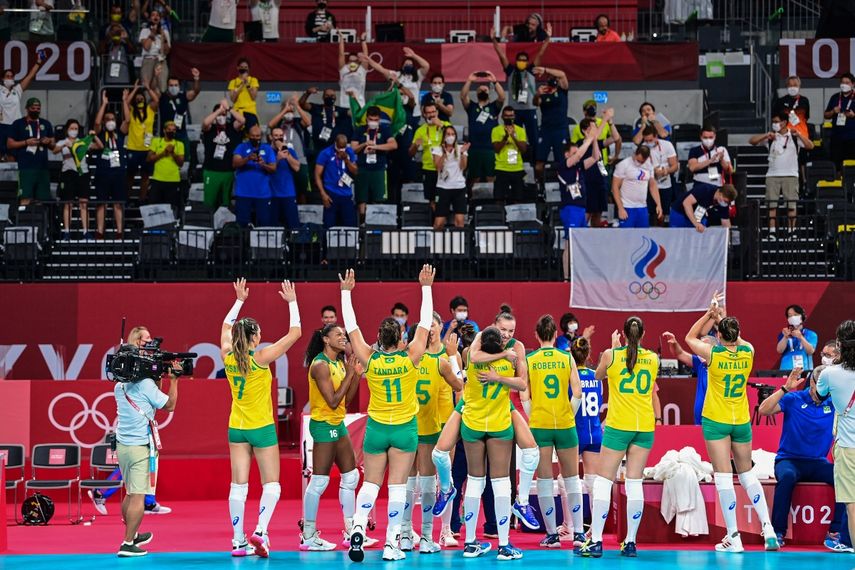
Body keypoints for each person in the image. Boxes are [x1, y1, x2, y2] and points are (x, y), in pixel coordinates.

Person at [341, 265, 435, 563]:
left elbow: (352, 328)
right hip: (405, 429)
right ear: (400, 337)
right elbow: (425, 325)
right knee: (397, 487)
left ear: (379, 339)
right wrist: (426, 287)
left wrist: (346, 294)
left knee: (370, 483)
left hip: (377, 429)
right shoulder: (411, 357)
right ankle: (391, 544)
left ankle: (357, 525)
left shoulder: (370, 359)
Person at [683, 297, 779, 552]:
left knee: (724, 477)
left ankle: (734, 537)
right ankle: (768, 528)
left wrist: (709, 314)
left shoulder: (713, 353)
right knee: (747, 474)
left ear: (718, 336)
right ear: (737, 334)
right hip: (741, 421)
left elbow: (690, 337)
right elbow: (737, 336)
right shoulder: (749, 351)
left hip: (716, 421)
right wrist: (722, 319)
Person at [220, 278, 302, 557]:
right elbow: (296, 333)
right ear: (254, 337)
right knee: (272, 485)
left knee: (237, 486)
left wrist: (239, 300)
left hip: (236, 428)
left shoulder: (228, 356)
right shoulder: (262, 357)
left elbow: (225, 327)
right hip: (262, 428)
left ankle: (237, 540)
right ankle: (261, 530)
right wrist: (292, 302)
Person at [577, 317, 659, 558]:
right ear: (643, 334)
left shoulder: (610, 355)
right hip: (643, 426)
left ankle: (597, 540)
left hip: (618, 426)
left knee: (603, 481)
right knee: (634, 482)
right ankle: (631, 542)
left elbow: (598, 376)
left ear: (622, 334)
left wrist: (612, 348)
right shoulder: (653, 359)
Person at [758, 363, 850, 550]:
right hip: (788, 460)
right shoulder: (793, 398)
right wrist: (785, 388)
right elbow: (763, 410)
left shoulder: (834, 402)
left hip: (818, 463)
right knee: (787, 477)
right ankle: (777, 532)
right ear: (813, 383)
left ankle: (835, 531)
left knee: (843, 477)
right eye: (822, 384)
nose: (826, 389)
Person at [456, 326, 528, 561]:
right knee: (501, 484)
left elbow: (475, 353)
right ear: (500, 345)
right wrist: (505, 358)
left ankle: (469, 543)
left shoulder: (471, 360)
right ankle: (505, 545)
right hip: (498, 426)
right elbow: (522, 385)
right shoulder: (508, 363)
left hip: (473, 425)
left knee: (475, 483)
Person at [88, 326, 173, 518]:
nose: (150, 342)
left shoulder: (146, 364)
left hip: (143, 423)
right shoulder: (129, 370)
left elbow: (153, 389)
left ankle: (149, 502)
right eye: (146, 339)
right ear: (136, 341)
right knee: (134, 464)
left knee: (150, 460)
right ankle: (101, 493)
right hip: (134, 429)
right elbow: (164, 401)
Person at [113, 332, 179, 557]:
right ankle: (127, 543)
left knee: (130, 493)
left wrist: (156, 374)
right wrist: (175, 381)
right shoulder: (144, 385)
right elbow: (169, 405)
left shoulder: (119, 387)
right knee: (138, 495)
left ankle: (133, 531)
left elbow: (151, 391)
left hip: (122, 447)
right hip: (140, 447)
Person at [403, 314, 463, 553]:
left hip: (443, 424)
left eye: (433, 325)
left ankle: (443, 529)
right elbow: (460, 385)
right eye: (426, 327)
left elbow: (460, 393)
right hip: (421, 425)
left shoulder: (447, 355)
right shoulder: (420, 356)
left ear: (440, 327)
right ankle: (416, 533)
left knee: (443, 482)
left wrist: (458, 420)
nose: (430, 330)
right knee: (421, 481)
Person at [521, 315, 583, 548]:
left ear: (537, 335)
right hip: (565, 425)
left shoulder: (530, 359)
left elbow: (524, 394)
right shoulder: (566, 357)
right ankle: (578, 534)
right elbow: (577, 392)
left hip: (540, 425)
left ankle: (552, 535)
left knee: (545, 480)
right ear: (556, 335)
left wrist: (532, 416)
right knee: (572, 479)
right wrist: (569, 414)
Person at [301, 325, 362, 551]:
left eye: (344, 335)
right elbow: (333, 401)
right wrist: (349, 373)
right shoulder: (320, 366)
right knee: (319, 481)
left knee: (351, 477)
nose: (343, 337)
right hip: (323, 425)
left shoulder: (338, 363)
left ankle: (350, 532)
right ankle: (308, 535)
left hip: (338, 424)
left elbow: (347, 398)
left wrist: (354, 373)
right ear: (326, 339)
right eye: (338, 335)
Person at [817, 320, 855, 549]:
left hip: (848, 448)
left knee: (852, 506)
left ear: (839, 346)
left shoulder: (829, 373)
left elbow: (819, 396)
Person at [749, 112, 814, 237]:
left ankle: (791, 231)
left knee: (791, 205)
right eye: (773, 122)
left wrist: (799, 135)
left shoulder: (794, 137)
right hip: (772, 175)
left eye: (776, 121)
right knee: (771, 206)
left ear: (784, 122)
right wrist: (765, 135)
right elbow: (752, 141)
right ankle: (772, 232)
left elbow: (810, 146)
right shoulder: (771, 137)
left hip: (791, 175)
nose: (774, 124)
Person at [491, 30, 549, 161]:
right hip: (514, 111)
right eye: (519, 60)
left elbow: (541, 53)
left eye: (524, 60)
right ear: (516, 61)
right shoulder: (511, 71)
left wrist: (548, 38)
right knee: (514, 137)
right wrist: (494, 40)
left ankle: (535, 163)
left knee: (533, 139)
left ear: (527, 62)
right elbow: (501, 56)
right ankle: (517, 161)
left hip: (530, 110)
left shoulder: (532, 70)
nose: (521, 62)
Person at [568, 337, 601, 541]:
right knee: (592, 482)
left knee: (570, 482)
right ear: (588, 355)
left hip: (575, 431)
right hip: (595, 432)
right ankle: (595, 529)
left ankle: (572, 527)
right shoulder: (597, 376)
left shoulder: (569, 377)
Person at [572, 109, 620, 228]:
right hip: (586, 181)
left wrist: (610, 122)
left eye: (595, 127)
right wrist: (604, 118)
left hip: (599, 180)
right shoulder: (579, 144)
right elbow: (594, 135)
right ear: (584, 130)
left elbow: (615, 138)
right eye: (592, 127)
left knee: (597, 215)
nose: (595, 130)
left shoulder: (596, 143)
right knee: (586, 214)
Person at [93, 90, 130, 238]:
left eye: (112, 119)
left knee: (118, 203)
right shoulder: (100, 133)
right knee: (101, 203)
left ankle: (119, 230)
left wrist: (124, 102)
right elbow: (96, 123)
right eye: (107, 119)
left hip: (118, 172)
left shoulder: (120, 133)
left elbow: (127, 121)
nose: (110, 121)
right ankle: (100, 230)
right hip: (103, 172)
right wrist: (104, 104)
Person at [662, 328, 716, 425]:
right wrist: (674, 343)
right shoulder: (700, 363)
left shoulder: (720, 365)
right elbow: (679, 353)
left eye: (703, 347)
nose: (699, 350)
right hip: (699, 420)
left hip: (715, 418)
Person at [7, 97, 54, 206]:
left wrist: (48, 141)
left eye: (38, 108)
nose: (36, 110)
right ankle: (24, 221)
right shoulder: (18, 123)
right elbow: (9, 144)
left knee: (42, 200)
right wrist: (26, 142)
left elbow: (53, 144)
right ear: (27, 109)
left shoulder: (45, 123)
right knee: (25, 198)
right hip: (26, 167)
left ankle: (41, 222)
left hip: (43, 168)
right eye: (33, 108)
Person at [351, 106, 396, 219]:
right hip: (362, 169)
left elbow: (393, 145)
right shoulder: (360, 130)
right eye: (371, 119)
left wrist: (376, 147)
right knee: (362, 201)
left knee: (379, 200)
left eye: (376, 120)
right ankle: (362, 225)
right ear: (367, 119)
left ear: (379, 119)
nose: (373, 122)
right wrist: (364, 144)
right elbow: (352, 149)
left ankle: (377, 226)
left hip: (379, 169)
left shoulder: (385, 130)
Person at [461, 71, 504, 184]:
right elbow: (463, 96)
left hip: (491, 148)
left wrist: (495, 81)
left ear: (489, 92)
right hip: (474, 148)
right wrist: (469, 80)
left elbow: (502, 96)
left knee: (491, 178)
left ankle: (492, 201)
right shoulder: (471, 107)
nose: (483, 91)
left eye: (485, 90)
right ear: (476, 93)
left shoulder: (494, 106)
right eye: (480, 90)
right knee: (475, 179)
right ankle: (473, 201)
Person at [53, 119, 93, 240]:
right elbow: (54, 150)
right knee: (68, 204)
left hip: (82, 174)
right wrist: (65, 145)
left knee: (83, 204)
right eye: (72, 128)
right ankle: (66, 232)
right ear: (67, 130)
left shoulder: (82, 142)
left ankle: (86, 231)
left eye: (76, 129)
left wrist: (93, 136)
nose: (74, 131)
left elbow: (99, 146)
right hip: (68, 174)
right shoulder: (62, 141)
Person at [202, 101, 246, 210]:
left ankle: (224, 225)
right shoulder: (210, 129)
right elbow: (205, 123)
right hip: (211, 171)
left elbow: (242, 120)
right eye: (219, 115)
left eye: (223, 115)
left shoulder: (232, 128)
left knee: (226, 202)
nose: (221, 117)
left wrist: (228, 108)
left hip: (228, 171)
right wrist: (218, 111)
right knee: (209, 202)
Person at [268, 95, 311, 201]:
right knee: (285, 186)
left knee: (302, 190)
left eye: (291, 109)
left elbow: (308, 122)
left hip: (300, 159)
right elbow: (270, 125)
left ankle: (302, 210)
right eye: (287, 108)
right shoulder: (279, 124)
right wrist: (284, 110)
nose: (289, 111)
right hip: (283, 159)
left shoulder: (297, 123)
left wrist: (297, 106)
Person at [232, 125, 276, 226]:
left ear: (261, 136)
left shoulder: (267, 149)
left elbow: (273, 168)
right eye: (253, 136)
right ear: (248, 135)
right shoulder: (241, 147)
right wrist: (247, 158)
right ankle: (243, 242)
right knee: (242, 224)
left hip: (262, 194)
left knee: (264, 224)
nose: (255, 138)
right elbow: (235, 163)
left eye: (257, 136)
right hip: (243, 194)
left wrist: (263, 164)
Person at [687, 126, 732, 222]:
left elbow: (729, 170)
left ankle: (726, 233)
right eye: (705, 137)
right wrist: (710, 160)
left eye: (711, 137)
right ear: (701, 137)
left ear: (715, 136)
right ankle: (698, 228)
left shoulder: (721, 149)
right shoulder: (694, 151)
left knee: (723, 213)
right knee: (699, 215)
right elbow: (692, 167)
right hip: (700, 187)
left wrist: (721, 159)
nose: (708, 140)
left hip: (717, 187)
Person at [123, 81, 159, 203]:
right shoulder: (132, 109)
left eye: (141, 97)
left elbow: (156, 101)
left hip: (147, 149)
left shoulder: (150, 109)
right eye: (137, 97)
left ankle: (142, 199)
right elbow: (126, 102)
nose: (139, 98)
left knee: (145, 176)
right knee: (130, 176)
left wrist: (148, 88)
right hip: (133, 147)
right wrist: (135, 89)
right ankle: (127, 198)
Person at [0, 57, 42, 160]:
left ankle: (15, 176)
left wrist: (38, 63)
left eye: (11, 76)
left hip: (15, 125)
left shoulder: (17, 90)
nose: (9, 78)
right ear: (2, 78)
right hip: (2, 126)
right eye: (7, 76)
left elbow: (30, 76)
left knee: (13, 155)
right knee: (1, 153)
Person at [533, 65, 569, 184]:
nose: (554, 80)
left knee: (563, 162)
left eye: (555, 79)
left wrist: (545, 70)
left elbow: (562, 74)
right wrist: (537, 94)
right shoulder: (543, 93)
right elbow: (535, 103)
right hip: (546, 131)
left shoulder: (563, 90)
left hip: (560, 130)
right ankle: (540, 187)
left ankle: (564, 184)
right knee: (539, 164)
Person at [611, 145, 661, 228]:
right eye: (638, 160)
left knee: (643, 237)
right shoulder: (624, 164)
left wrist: (658, 204)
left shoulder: (649, 165)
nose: (639, 163)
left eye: (642, 162)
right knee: (626, 237)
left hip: (642, 207)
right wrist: (620, 208)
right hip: (627, 207)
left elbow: (652, 186)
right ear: (635, 154)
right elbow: (614, 187)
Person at [315, 133, 358, 228]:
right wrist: (323, 194)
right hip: (331, 193)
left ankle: (350, 243)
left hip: (346, 193)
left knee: (350, 225)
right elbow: (317, 175)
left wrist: (346, 160)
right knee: (329, 225)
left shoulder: (349, 152)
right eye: (340, 147)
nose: (342, 149)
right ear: (335, 143)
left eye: (344, 147)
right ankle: (328, 242)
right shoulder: (325, 153)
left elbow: (355, 171)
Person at [158, 69, 201, 160]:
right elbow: (153, 88)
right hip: (167, 134)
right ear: (167, 86)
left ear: (179, 86)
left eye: (176, 85)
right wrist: (156, 76)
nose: (174, 87)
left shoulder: (183, 96)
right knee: (167, 159)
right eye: (171, 85)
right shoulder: (162, 97)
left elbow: (196, 91)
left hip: (181, 133)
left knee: (184, 158)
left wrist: (196, 78)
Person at [640, 125, 678, 225]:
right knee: (651, 213)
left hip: (665, 184)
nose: (648, 143)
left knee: (665, 213)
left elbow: (675, 166)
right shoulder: (643, 148)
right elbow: (639, 167)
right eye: (646, 141)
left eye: (651, 140)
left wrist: (666, 171)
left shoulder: (667, 145)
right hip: (650, 185)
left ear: (656, 136)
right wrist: (652, 171)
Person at [433, 125, 469, 230]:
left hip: (459, 187)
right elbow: (438, 167)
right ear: (444, 136)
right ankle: (437, 244)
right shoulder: (437, 149)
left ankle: (458, 244)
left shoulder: (460, 148)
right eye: (448, 134)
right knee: (439, 222)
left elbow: (463, 167)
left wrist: (462, 153)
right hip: (443, 188)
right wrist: (444, 154)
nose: (450, 136)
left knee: (459, 221)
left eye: (453, 134)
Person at [492, 106, 529, 205]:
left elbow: (524, 149)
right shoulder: (496, 130)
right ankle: (500, 218)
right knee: (499, 199)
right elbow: (496, 149)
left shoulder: (520, 130)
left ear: (514, 117)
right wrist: (505, 138)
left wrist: (513, 136)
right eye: (506, 116)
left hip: (516, 168)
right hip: (501, 168)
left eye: (511, 116)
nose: (509, 118)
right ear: (502, 117)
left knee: (518, 198)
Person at [301, 87, 352, 157]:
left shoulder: (341, 110)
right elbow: (302, 104)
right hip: (318, 148)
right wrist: (307, 93)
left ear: (335, 98)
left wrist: (353, 98)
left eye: (332, 96)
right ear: (323, 97)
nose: (329, 97)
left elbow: (355, 113)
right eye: (327, 95)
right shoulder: (316, 108)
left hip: (336, 149)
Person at [146, 120, 184, 210]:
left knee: (172, 208)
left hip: (173, 180)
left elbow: (181, 163)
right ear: (164, 130)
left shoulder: (179, 144)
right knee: (154, 207)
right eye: (169, 129)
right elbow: (149, 159)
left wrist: (173, 153)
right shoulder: (156, 141)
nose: (171, 131)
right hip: (158, 179)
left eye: (174, 130)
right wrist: (164, 153)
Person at [669, 183, 736, 232]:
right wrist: (696, 224)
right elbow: (686, 203)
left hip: (698, 215)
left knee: (701, 232)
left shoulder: (723, 203)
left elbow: (725, 222)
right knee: (677, 237)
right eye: (724, 200)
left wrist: (729, 238)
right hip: (680, 212)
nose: (724, 203)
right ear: (720, 193)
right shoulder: (705, 189)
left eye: (727, 202)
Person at [269, 128, 302, 228]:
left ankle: (293, 243)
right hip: (272, 194)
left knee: (293, 226)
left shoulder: (289, 150)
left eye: (280, 135)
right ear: (271, 137)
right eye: (276, 135)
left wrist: (286, 154)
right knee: (272, 227)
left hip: (288, 193)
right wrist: (277, 159)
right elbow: (266, 168)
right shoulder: (266, 150)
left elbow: (297, 167)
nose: (278, 138)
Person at [823, 73, 855, 172]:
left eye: (847, 82)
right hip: (837, 138)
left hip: (852, 138)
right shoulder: (835, 97)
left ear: (853, 84)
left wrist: (854, 115)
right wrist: (833, 111)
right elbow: (826, 115)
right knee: (836, 165)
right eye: (842, 82)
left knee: (851, 166)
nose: (844, 84)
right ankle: (838, 185)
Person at [776, 304, 818, 371]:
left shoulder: (811, 334)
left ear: (802, 317)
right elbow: (779, 350)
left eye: (795, 315)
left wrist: (801, 337)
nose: (792, 317)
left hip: (805, 370)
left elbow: (810, 351)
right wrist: (785, 337)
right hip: (786, 370)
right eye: (790, 316)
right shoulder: (784, 333)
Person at [138, 11, 170, 93]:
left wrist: (164, 38)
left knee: (162, 87)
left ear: (160, 18)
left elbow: (167, 51)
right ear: (150, 18)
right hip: (148, 60)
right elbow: (146, 47)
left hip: (161, 61)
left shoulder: (165, 32)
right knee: (147, 86)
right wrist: (152, 34)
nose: (155, 17)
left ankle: (161, 104)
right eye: (153, 15)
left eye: (158, 15)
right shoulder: (144, 31)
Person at [772, 75, 811, 143]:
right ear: (786, 87)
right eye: (790, 85)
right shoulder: (780, 101)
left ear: (799, 86)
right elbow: (774, 119)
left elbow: (806, 118)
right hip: (785, 138)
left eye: (795, 85)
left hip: (802, 137)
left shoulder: (804, 100)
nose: (792, 87)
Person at [339, 36, 370, 112]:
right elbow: (341, 54)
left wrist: (362, 40)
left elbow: (366, 55)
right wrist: (342, 39)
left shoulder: (362, 70)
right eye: (350, 61)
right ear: (347, 62)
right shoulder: (344, 70)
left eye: (355, 61)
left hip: (360, 105)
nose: (352, 63)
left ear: (358, 62)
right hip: (344, 105)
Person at [229, 59, 260, 129]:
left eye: (246, 67)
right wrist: (242, 84)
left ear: (248, 69)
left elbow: (253, 97)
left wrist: (247, 84)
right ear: (238, 68)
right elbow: (233, 99)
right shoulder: (233, 82)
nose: (244, 69)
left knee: (252, 132)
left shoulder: (253, 80)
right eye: (241, 67)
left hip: (250, 111)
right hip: (237, 112)